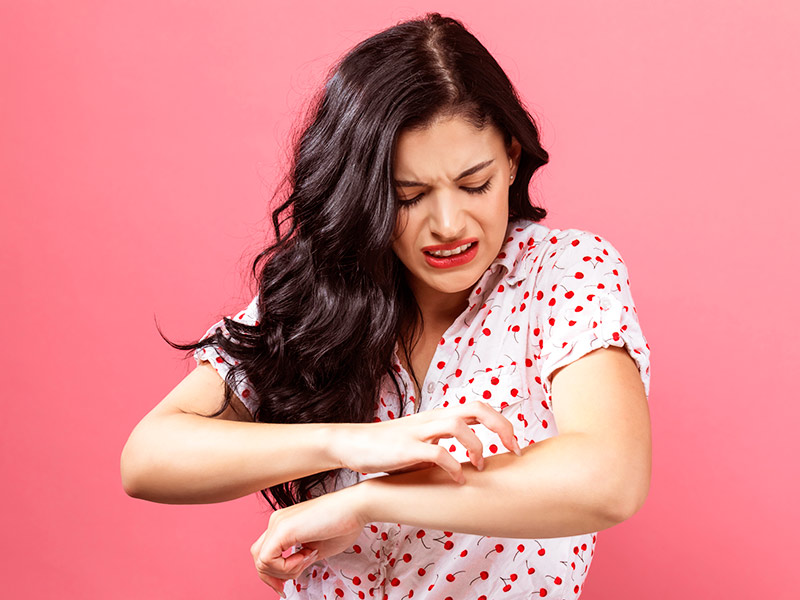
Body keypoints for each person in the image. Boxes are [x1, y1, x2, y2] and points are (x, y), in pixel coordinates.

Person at [120, 13, 652, 600]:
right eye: (408, 197)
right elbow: (148, 458)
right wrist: (346, 442)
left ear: (512, 158)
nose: (448, 224)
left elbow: (610, 479)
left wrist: (367, 501)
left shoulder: (563, 274)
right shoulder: (323, 295)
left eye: (473, 184)